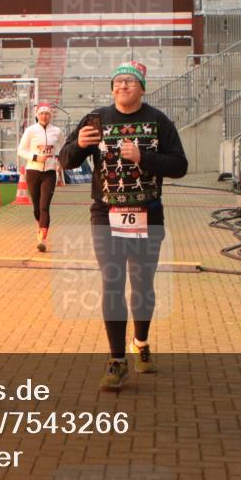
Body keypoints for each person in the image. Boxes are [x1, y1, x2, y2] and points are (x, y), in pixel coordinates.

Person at [59, 60, 187, 391]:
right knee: (112, 282)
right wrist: (80, 146)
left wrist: (145, 157)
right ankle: (117, 360)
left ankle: (141, 343)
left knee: (142, 284)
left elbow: (180, 166)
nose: (122, 86)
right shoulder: (95, 119)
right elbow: (64, 160)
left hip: (148, 211)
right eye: (117, 81)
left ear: (142, 88)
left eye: (130, 81)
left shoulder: (158, 121)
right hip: (106, 212)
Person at [17, 103, 64, 251]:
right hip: (33, 172)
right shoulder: (31, 131)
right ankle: (40, 225)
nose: (44, 116)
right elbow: (21, 150)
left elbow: (64, 148)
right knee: (37, 207)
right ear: (37, 115)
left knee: (45, 206)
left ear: (51, 116)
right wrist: (36, 157)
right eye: (42, 114)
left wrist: (60, 162)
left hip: (49, 173)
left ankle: (42, 237)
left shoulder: (57, 131)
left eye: (47, 114)